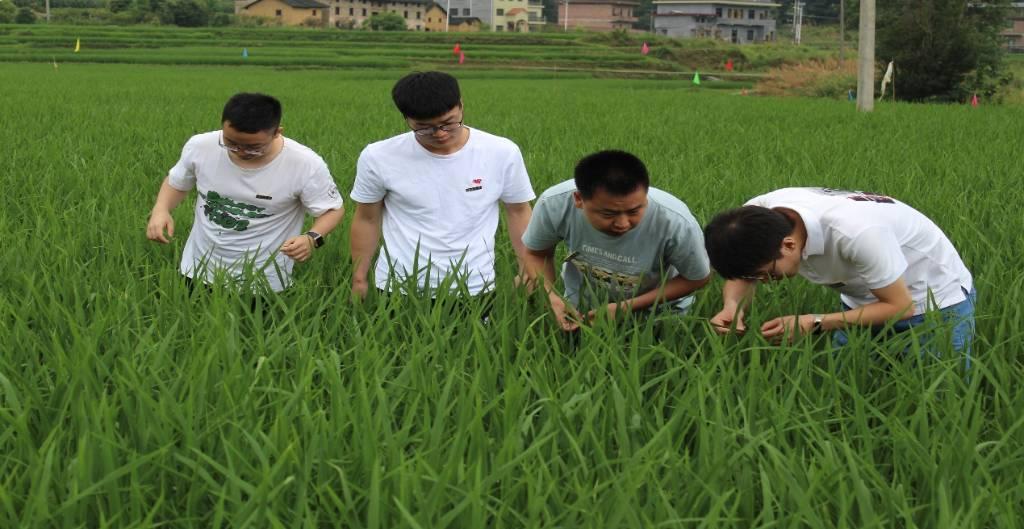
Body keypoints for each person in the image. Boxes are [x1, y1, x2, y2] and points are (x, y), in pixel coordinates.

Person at [704, 187, 976, 357]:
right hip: (862, 299)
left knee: (936, 396)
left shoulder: (857, 232)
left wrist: (815, 322)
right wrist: (733, 306)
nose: (764, 283)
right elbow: (744, 271)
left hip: (933, 301)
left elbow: (901, 306)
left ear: (788, 245)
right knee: (849, 387)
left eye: (767, 275)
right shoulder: (753, 219)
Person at [349, 71, 534, 306]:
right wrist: (359, 279)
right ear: (406, 119)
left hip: (476, 286)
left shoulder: (501, 152)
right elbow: (367, 219)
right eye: (424, 128)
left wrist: (527, 267)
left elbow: (518, 212)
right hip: (397, 287)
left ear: (461, 105)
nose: (440, 134)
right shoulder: (378, 156)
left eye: (448, 123)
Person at [146, 92, 344, 293]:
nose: (240, 151)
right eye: (230, 143)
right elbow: (177, 182)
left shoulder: (305, 164)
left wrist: (312, 238)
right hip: (197, 268)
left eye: (253, 147)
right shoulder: (201, 146)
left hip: (264, 280)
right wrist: (161, 209)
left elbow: (332, 210)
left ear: (277, 132)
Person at [521, 150, 711, 331]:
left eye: (634, 211)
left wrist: (625, 307)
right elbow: (537, 254)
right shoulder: (555, 204)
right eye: (608, 214)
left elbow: (697, 277)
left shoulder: (675, 221)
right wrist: (551, 297)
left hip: (660, 313)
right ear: (579, 199)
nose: (622, 223)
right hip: (582, 312)